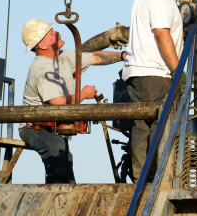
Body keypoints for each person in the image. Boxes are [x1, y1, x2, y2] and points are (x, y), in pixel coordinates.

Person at [19, 18, 126, 184]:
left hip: (51, 127)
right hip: (34, 128)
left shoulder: (63, 57)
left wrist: (123, 56)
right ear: (43, 45)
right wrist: (83, 95)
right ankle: (55, 193)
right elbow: (58, 102)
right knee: (56, 150)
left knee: (65, 157)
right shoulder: (41, 68)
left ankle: (66, 192)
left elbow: (95, 57)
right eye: (50, 33)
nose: (57, 33)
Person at [122, 0, 196, 180]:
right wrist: (177, 71)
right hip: (156, 75)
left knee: (141, 127)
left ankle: (139, 178)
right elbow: (161, 33)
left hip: (136, 73)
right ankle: (156, 179)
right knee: (160, 125)